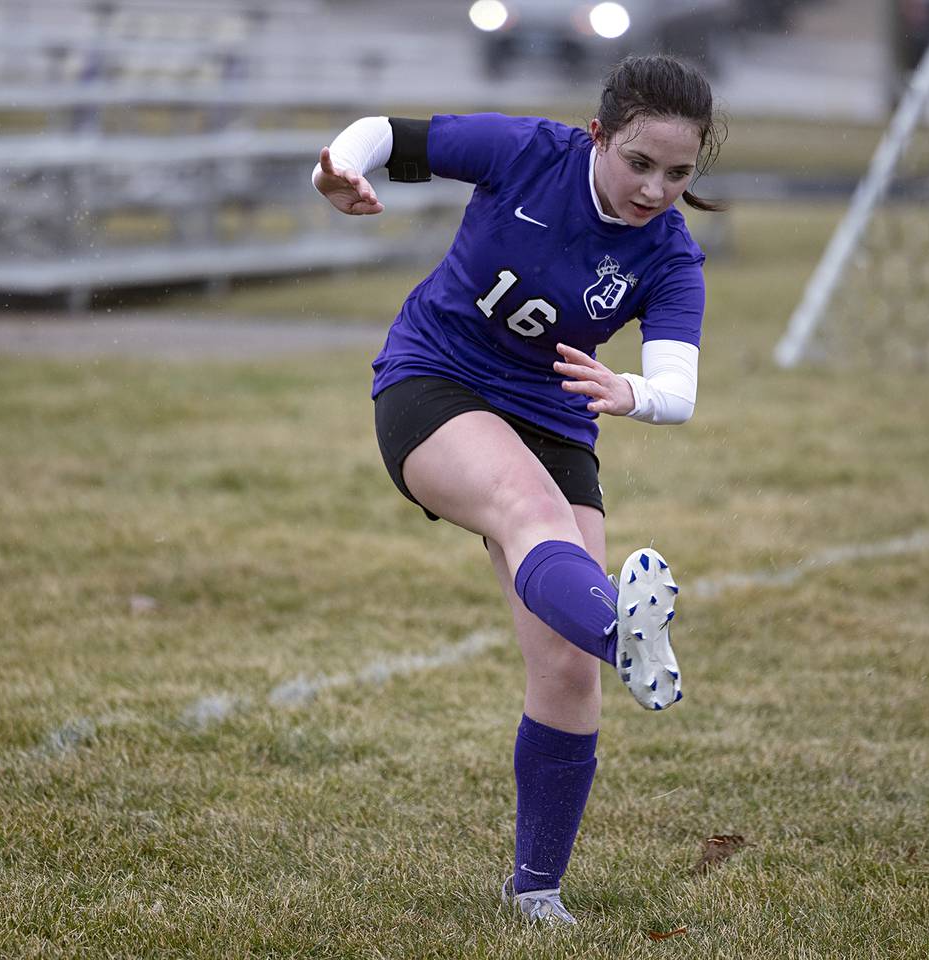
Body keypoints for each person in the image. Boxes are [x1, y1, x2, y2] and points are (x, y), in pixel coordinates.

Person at [310, 54, 725, 925]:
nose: (656, 188)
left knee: (566, 668)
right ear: (598, 135)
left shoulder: (671, 256)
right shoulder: (529, 152)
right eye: (639, 162)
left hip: (556, 420)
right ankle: (628, 636)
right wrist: (341, 166)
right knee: (533, 517)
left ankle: (537, 890)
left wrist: (631, 395)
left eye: (680, 173)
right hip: (436, 380)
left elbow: (678, 393)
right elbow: (390, 135)